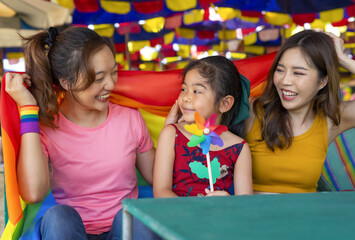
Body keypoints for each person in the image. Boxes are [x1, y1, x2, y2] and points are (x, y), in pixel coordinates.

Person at [4, 26, 162, 239]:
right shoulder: (47, 127)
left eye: (114, 72)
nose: (111, 84)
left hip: (122, 229)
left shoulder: (130, 117)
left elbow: (158, 177)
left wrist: (174, 129)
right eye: (98, 79)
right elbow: (33, 193)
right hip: (70, 231)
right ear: (66, 82)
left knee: (136, 217)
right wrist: (28, 109)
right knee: (58, 217)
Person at [244, 30, 355, 194]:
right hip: (252, 216)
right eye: (280, 70)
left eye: (298, 73)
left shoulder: (331, 119)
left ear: (322, 81)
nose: (285, 81)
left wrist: (343, 60)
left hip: (306, 217)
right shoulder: (253, 111)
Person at [153, 56, 253, 197]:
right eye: (184, 89)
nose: (186, 97)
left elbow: (245, 203)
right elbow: (161, 191)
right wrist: (192, 213)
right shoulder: (171, 134)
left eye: (196, 91)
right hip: (176, 216)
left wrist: (228, 202)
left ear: (225, 103)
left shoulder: (239, 147)